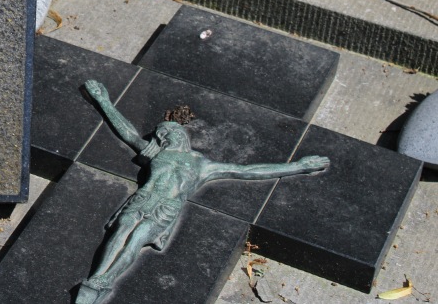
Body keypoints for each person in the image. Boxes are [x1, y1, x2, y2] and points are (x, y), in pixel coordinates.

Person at [77, 80, 330, 304]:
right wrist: (103, 100)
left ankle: (106, 279)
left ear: (182, 134)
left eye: (168, 131)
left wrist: (298, 166)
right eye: (160, 134)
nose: (163, 135)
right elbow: (129, 133)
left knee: (136, 239)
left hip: (166, 207)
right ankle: (94, 281)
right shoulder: (158, 153)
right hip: (142, 199)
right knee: (119, 233)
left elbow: (247, 170)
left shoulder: (202, 164)